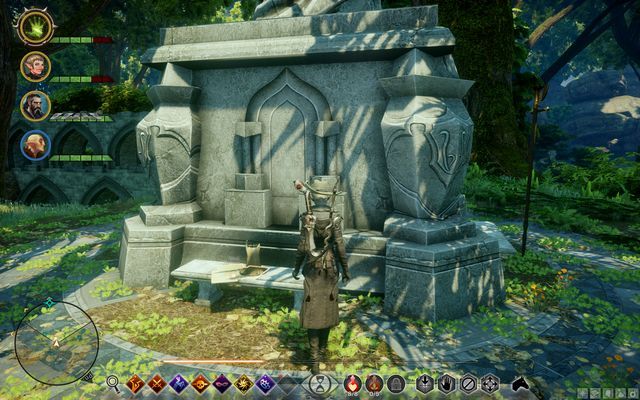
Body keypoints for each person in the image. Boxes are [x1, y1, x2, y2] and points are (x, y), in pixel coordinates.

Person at [292, 179, 350, 375]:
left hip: (311, 269)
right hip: (330, 270)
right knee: (326, 309)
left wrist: (296, 267)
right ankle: (322, 352)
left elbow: (302, 247)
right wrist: (346, 269)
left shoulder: (307, 218)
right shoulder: (335, 218)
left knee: (313, 312)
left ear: (314, 197)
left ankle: (315, 359)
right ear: (328, 197)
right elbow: (340, 246)